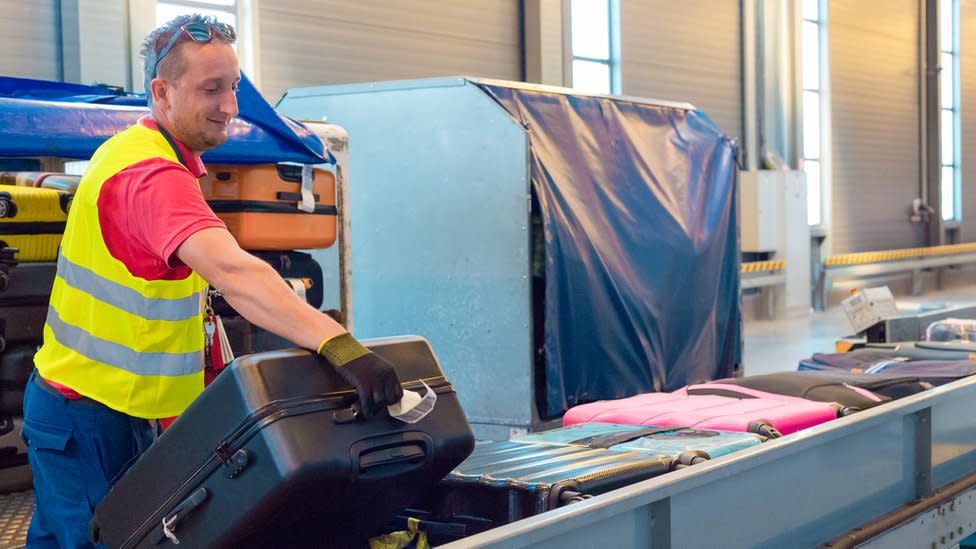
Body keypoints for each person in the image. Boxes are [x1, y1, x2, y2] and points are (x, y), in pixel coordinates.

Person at [21, 14, 403, 548]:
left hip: (115, 410)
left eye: (234, 86)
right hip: (86, 416)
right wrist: (339, 346)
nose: (230, 106)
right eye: (211, 89)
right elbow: (234, 271)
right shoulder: (149, 178)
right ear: (162, 92)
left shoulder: (149, 156)